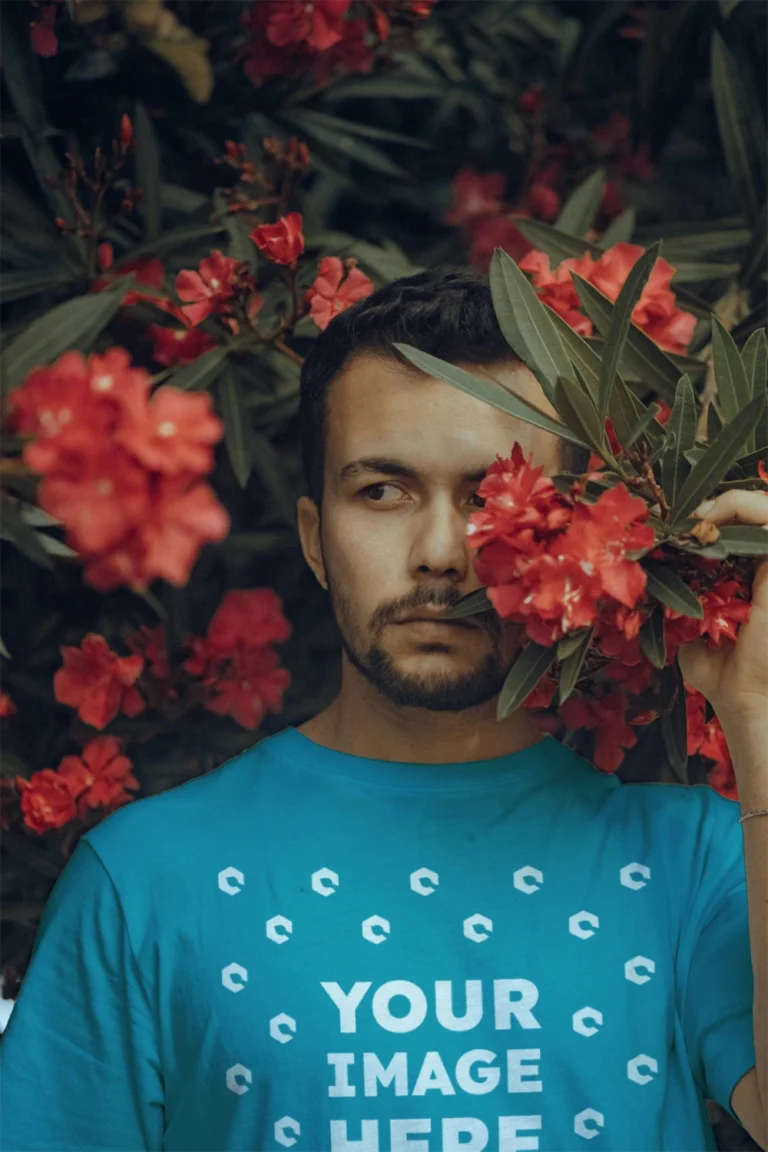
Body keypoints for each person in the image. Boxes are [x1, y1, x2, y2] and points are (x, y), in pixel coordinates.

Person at [0, 266, 758, 1152]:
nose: (440, 554)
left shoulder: (694, 864)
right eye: (383, 492)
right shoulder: (143, 882)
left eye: (490, 498)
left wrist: (760, 709)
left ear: (575, 533)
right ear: (316, 541)